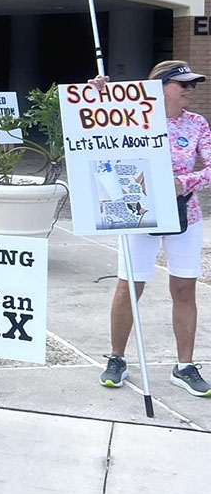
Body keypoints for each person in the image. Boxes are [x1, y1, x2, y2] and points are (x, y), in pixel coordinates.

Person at [98, 61, 210, 397]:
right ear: (160, 88)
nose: (190, 91)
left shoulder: (197, 124)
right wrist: (99, 96)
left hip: (183, 214)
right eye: (183, 85)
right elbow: (95, 132)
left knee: (185, 288)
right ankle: (117, 358)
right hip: (138, 212)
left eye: (193, 85)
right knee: (129, 287)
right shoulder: (131, 117)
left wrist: (182, 181)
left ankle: (185, 365)